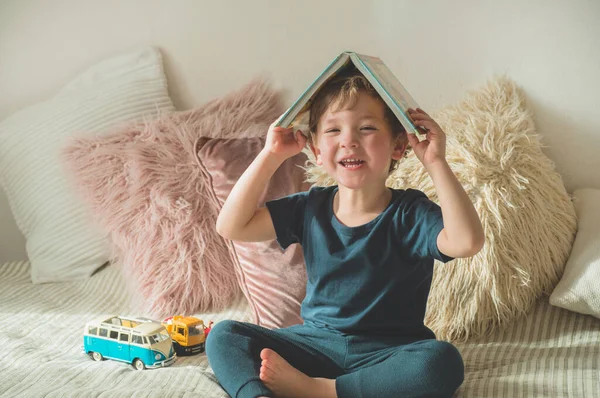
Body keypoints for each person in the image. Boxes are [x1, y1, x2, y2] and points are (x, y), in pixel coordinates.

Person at [206, 67, 485, 398]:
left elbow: (467, 242)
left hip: (388, 354)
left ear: (398, 146)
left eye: (366, 128)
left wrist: (435, 161)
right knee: (224, 335)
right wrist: (271, 155)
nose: (349, 140)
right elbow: (231, 226)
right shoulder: (308, 207)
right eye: (333, 130)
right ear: (317, 151)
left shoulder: (410, 213)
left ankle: (323, 391)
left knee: (443, 361)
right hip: (314, 346)